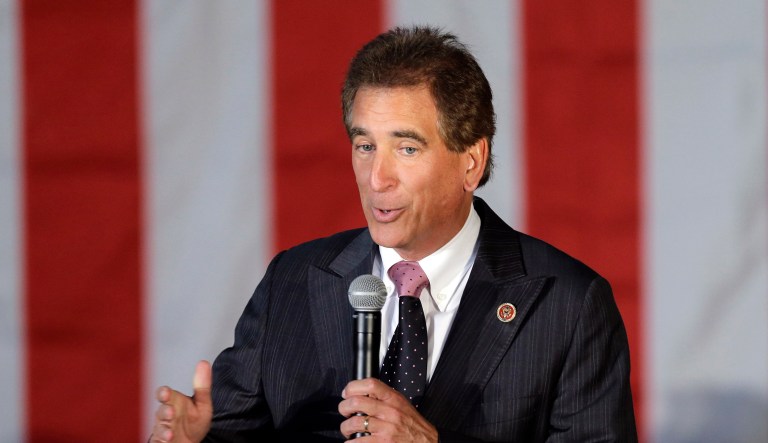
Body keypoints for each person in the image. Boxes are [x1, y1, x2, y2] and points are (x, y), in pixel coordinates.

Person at [151, 26, 637, 442]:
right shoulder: (294, 280)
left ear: (471, 161)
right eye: (365, 145)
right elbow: (233, 434)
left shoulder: (569, 306)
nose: (376, 177)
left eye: (406, 148)